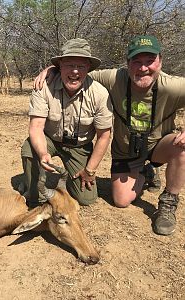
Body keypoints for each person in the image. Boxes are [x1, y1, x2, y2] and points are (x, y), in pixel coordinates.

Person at [34, 34, 185, 236]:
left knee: (182, 147)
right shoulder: (114, 78)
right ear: (127, 63)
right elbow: (78, 73)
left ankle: (168, 202)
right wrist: (53, 69)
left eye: (150, 61)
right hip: (126, 151)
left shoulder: (174, 86)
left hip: (159, 146)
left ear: (160, 61)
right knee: (121, 201)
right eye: (137, 62)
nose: (143, 68)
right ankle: (147, 172)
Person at [21, 38, 113, 208]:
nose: (75, 71)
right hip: (50, 140)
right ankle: (35, 195)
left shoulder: (99, 93)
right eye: (69, 65)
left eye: (81, 66)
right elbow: (35, 128)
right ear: (60, 67)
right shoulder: (43, 87)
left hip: (80, 146)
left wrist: (90, 170)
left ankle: (72, 180)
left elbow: (104, 136)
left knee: (87, 199)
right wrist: (42, 153)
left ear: (88, 69)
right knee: (29, 149)